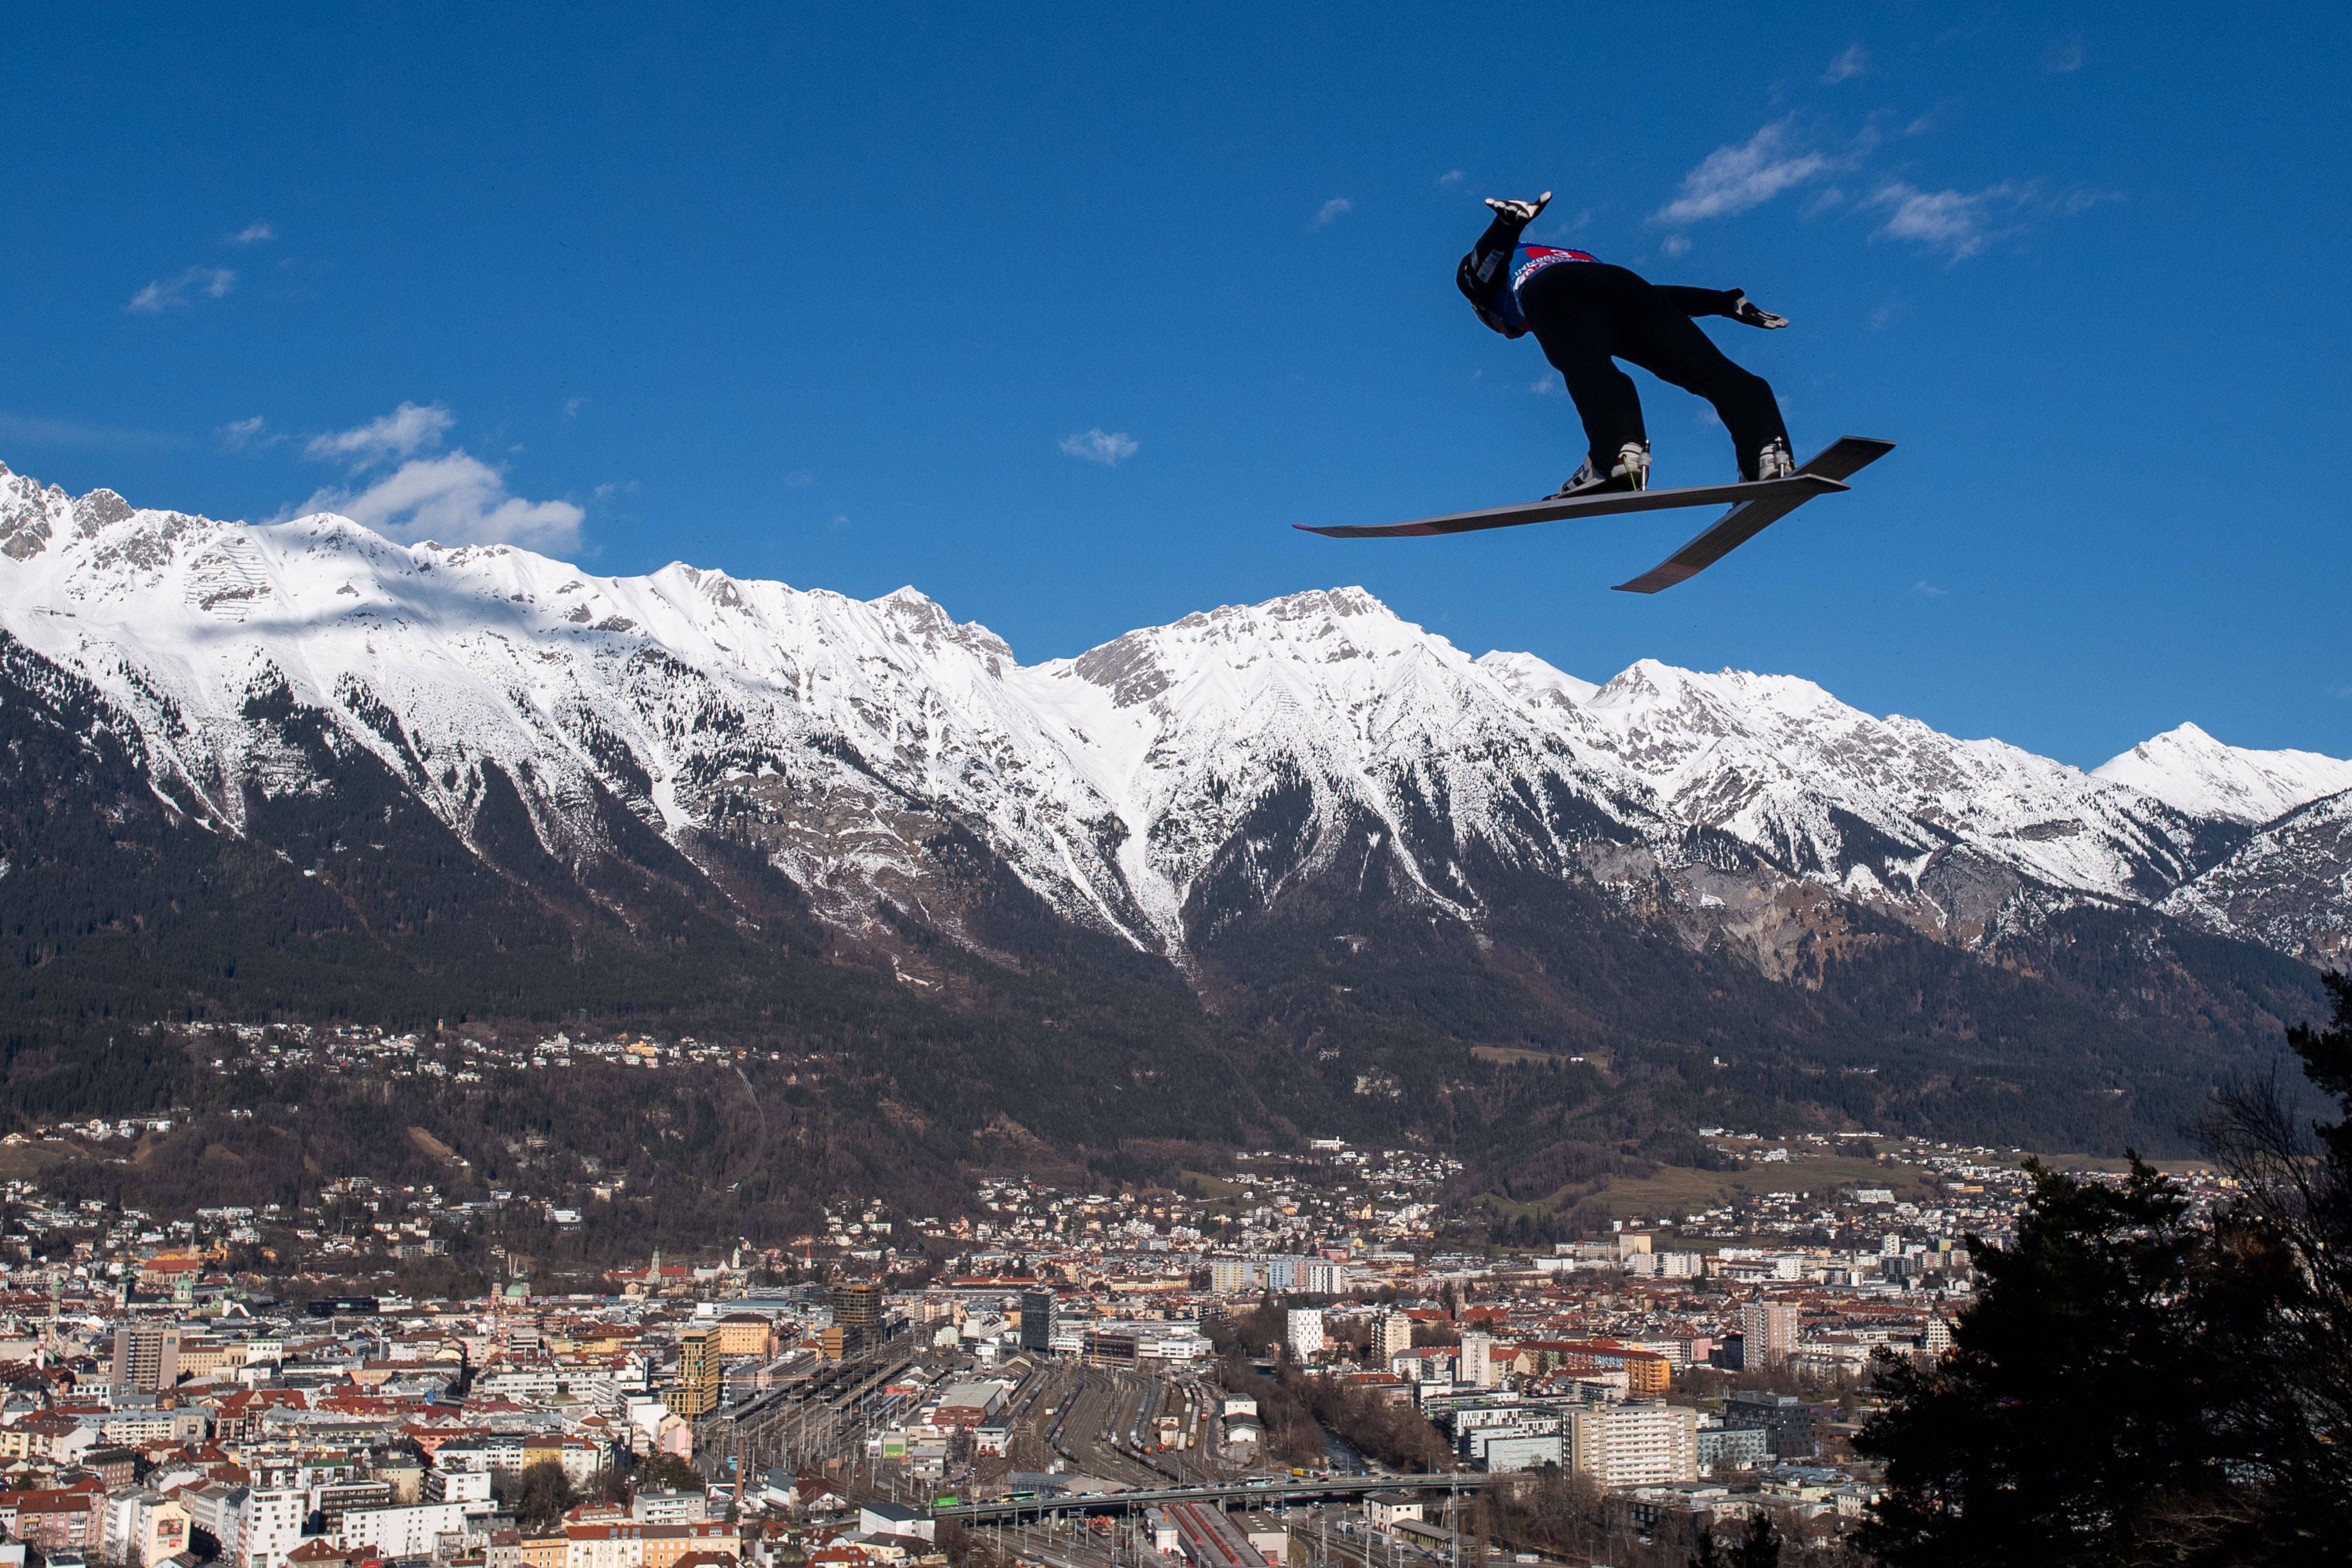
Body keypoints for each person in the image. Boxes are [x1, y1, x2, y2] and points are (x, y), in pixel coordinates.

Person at [1458, 190, 1796, 497]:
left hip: (1554, 290)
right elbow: (1656, 300)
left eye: (1508, 331)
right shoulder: (1568, 255)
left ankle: (1616, 457)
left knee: (1589, 368)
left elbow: (1474, 273)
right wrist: (1721, 302)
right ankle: (1766, 451)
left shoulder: (1496, 286)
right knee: (1709, 370)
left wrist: (1505, 226)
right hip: (1623, 284)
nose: (1517, 332)